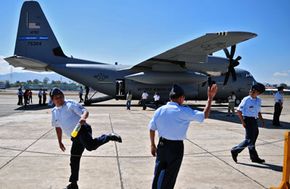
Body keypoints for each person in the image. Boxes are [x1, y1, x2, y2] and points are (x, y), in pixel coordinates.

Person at [148, 84, 218, 189]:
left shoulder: (159, 110)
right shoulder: (184, 111)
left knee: (158, 172)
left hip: (162, 145)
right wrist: (210, 98)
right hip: (175, 148)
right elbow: (204, 115)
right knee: (170, 176)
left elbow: (152, 128)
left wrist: (152, 145)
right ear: (181, 98)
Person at [50, 88, 122, 189]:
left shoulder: (70, 104)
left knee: (90, 146)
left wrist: (83, 117)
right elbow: (58, 127)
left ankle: (109, 136)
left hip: (82, 129)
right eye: (56, 98)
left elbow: (84, 111)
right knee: (74, 159)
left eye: (61, 96)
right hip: (74, 136)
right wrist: (60, 141)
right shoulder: (54, 112)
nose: (59, 99)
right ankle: (73, 184)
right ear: (53, 100)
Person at [231, 83, 266, 164]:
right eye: (251, 90)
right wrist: (243, 122)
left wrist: (262, 120)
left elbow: (258, 111)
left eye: (254, 91)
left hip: (254, 120)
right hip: (247, 120)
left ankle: (254, 157)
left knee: (253, 139)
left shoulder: (259, 100)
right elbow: (239, 111)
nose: (251, 91)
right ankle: (235, 150)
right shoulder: (246, 99)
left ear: (258, 93)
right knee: (249, 140)